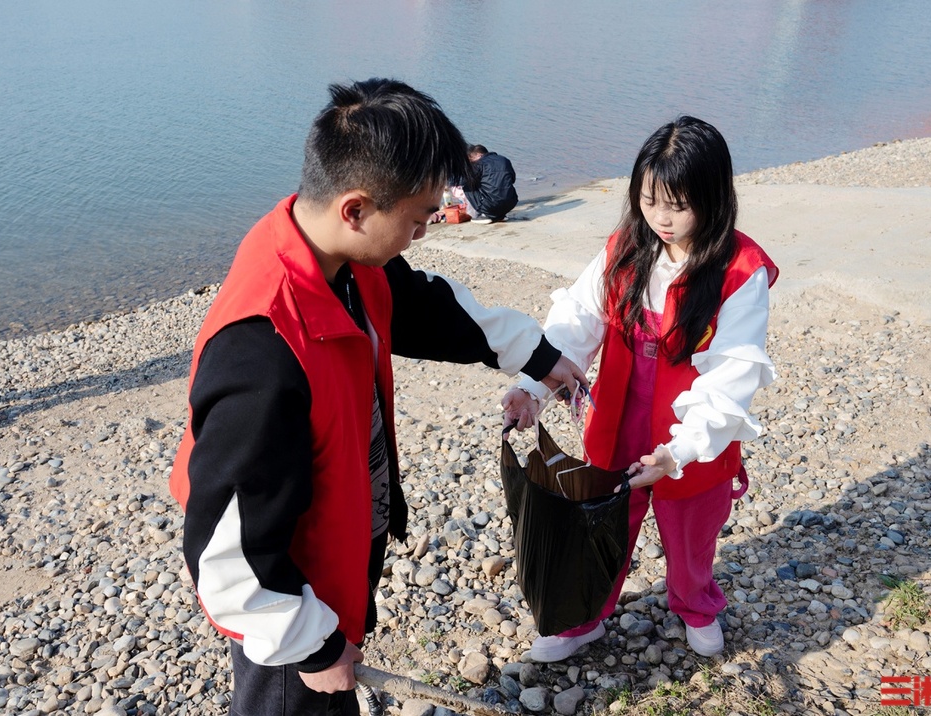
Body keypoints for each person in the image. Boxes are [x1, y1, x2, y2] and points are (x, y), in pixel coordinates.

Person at [168, 78, 587, 716]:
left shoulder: (335, 256)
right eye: (417, 221)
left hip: (336, 557)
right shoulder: (261, 351)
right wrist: (313, 647)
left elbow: (422, 304)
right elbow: (225, 557)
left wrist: (537, 356)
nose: (422, 235)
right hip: (288, 597)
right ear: (356, 209)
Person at [502, 116, 778, 662]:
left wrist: (678, 453)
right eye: (649, 201)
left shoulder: (739, 270)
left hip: (692, 426)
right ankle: (584, 617)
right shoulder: (626, 247)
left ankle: (695, 605)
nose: (661, 219)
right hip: (619, 415)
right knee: (601, 523)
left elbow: (732, 375)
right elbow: (578, 321)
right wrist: (532, 386)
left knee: (691, 531)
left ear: (714, 198)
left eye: (678, 205)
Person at [462, 144, 518, 224]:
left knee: (467, 186)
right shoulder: (504, 160)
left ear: (479, 155)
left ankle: (484, 215)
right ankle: (500, 215)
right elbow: (512, 179)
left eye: (472, 159)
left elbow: (462, 181)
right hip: (511, 203)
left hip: (490, 206)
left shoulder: (480, 163)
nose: (472, 163)